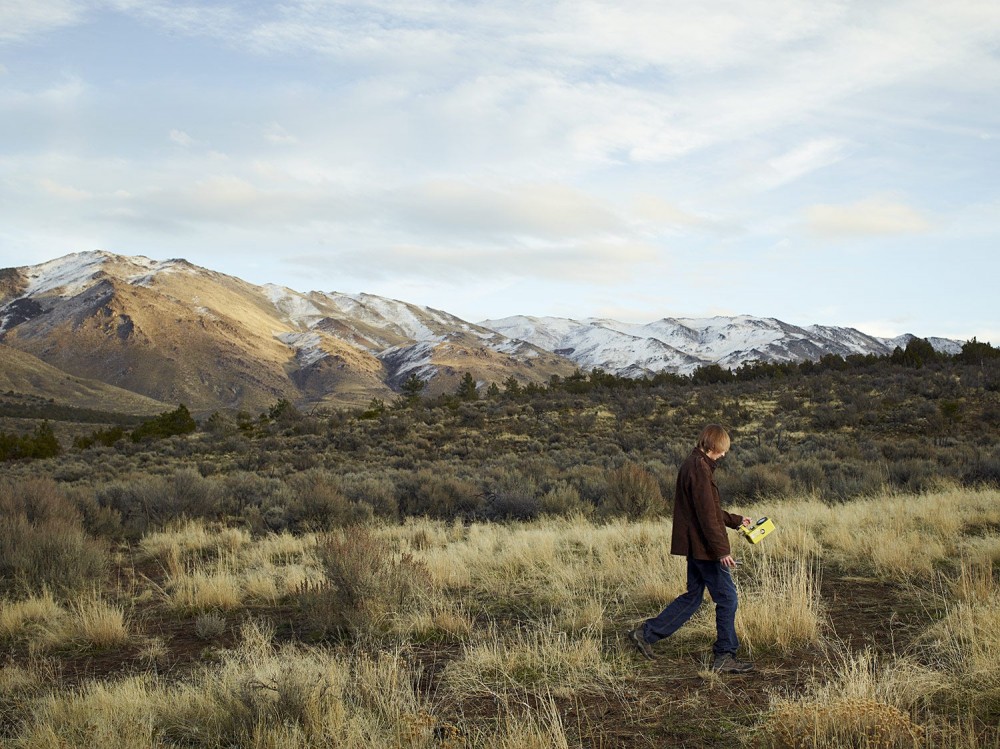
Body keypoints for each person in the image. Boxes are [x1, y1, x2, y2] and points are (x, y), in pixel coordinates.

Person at [628, 424, 754, 673]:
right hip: (705, 548)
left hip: (696, 546)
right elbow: (707, 515)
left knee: (693, 597)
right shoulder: (699, 468)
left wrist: (736, 521)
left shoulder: (695, 464)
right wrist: (722, 551)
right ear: (713, 445)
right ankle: (725, 655)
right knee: (728, 598)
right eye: (723, 449)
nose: (724, 454)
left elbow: (710, 510)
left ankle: (645, 634)